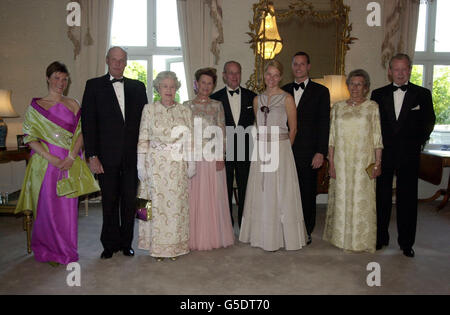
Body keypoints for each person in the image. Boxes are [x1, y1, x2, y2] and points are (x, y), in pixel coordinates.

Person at [81, 46, 148, 259]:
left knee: (129, 202)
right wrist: (92, 155)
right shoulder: (93, 86)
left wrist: (145, 154)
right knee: (109, 201)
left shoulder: (138, 87)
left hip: (132, 157)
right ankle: (109, 244)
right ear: (107, 60)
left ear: (126, 62)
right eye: (114, 60)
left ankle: (126, 243)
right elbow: (88, 124)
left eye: (122, 60)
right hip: (105, 157)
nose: (118, 64)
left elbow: (145, 124)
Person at [15, 61, 84, 265]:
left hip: (69, 162)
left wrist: (71, 157)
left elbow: (81, 134)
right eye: (56, 78)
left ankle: (67, 249)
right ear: (48, 78)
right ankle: (49, 250)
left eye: (64, 79)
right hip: (46, 164)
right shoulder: (36, 107)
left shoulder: (73, 104)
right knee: (47, 208)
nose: (60, 83)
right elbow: (29, 138)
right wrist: (51, 158)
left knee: (68, 209)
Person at [371, 53, 436, 257]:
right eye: (396, 69)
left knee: (407, 200)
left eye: (404, 69)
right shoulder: (377, 94)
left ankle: (407, 243)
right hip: (384, 155)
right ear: (389, 71)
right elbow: (373, 125)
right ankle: (380, 239)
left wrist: (415, 143)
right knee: (381, 198)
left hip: (409, 155)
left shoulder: (422, 94)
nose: (400, 73)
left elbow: (429, 122)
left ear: (410, 70)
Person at [239, 60, 307, 251]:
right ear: (264, 76)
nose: (271, 78)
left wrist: (282, 151)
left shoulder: (287, 98)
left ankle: (282, 237)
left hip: (281, 149)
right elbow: (259, 126)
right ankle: (261, 236)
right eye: (268, 74)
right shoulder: (256, 100)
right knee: (261, 191)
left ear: (281, 77)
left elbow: (293, 129)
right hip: (261, 150)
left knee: (280, 191)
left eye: (276, 75)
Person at [323, 69, 383, 253]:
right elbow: (331, 138)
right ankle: (340, 238)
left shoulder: (372, 107)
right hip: (341, 161)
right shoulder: (338, 107)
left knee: (361, 199)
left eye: (359, 84)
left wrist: (378, 163)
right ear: (347, 85)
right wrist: (331, 163)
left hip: (363, 163)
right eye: (352, 83)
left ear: (366, 87)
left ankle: (360, 241)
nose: (355, 87)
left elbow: (377, 137)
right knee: (341, 197)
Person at [137, 71, 192, 260]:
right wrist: (140, 164)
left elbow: (189, 140)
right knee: (154, 205)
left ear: (176, 87)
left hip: (177, 165)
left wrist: (191, 162)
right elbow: (143, 137)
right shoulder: (149, 109)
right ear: (158, 88)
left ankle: (175, 247)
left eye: (172, 86)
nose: (169, 90)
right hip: (155, 165)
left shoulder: (185, 110)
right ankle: (154, 246)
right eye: (164, 86)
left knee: (176, 206)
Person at [281, 52, 330, 245]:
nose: (299, 67)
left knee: (307, 193)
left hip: (310, 152)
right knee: (286, 192)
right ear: (291, 66)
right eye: (295, 64)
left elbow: (324, 124)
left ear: (309, 66)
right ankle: (287, 228)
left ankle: (306, 230)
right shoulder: (283, 90)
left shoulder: (321, 91)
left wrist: (321, 152)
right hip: (286, 150)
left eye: (302, 64)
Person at [185, 67, 235, 251]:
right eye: (203, 82)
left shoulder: (217, 105)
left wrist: (222, 155)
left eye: (209, 83)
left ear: (213, 86)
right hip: (194, 158)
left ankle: (214, 234)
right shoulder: (186, 105)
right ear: (196, 84)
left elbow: (222, 131)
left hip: (213, 157)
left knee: (213, 197)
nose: (206, 86)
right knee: (194, 197)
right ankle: (193, 236)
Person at [210, 61, 257, 229]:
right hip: (224, 149)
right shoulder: (215, 98)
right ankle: (226, 224)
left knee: (246, 188)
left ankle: (245, 224)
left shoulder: (253, 96)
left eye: (237, 72)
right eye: (230, 73)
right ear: (224, 75)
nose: (234, 76)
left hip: (246, 148)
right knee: (225, 188)